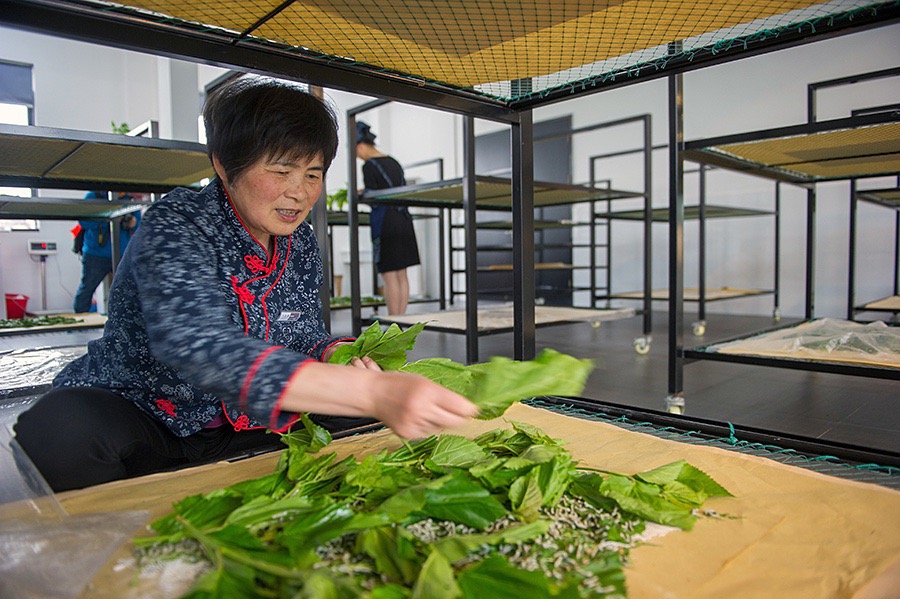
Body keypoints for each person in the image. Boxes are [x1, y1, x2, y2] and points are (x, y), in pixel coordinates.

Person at [14, 77, 477, 493]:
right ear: (224, 164)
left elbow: (302, 334)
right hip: (157, 417)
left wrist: (338, 357)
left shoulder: (300, 243)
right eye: (280, 171)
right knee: (61, 433)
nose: (299, 192)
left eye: (313, 174)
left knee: (360, 410)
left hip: (250, 425)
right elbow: (201, 349)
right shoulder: (177, 225)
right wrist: (375, 393)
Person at [356, 121, 421, 315]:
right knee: (402, 273)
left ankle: (393, 320)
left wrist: (361, 195)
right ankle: (401, 320)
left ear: (360, 146)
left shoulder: (369, 166)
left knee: (389, 275)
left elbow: (375, 197)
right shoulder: (393, 161)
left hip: (385, 222)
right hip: (403, 219)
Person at [73, 191, 141, 313]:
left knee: (128, 290)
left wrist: (133, 223)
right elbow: (84, 222)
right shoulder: (94, 197)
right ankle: (79, 324)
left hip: (122, 255)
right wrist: (108, 216)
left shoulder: (130, 201)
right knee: (87, 288)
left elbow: (140, 227)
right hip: (96, 254)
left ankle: (125, 323)